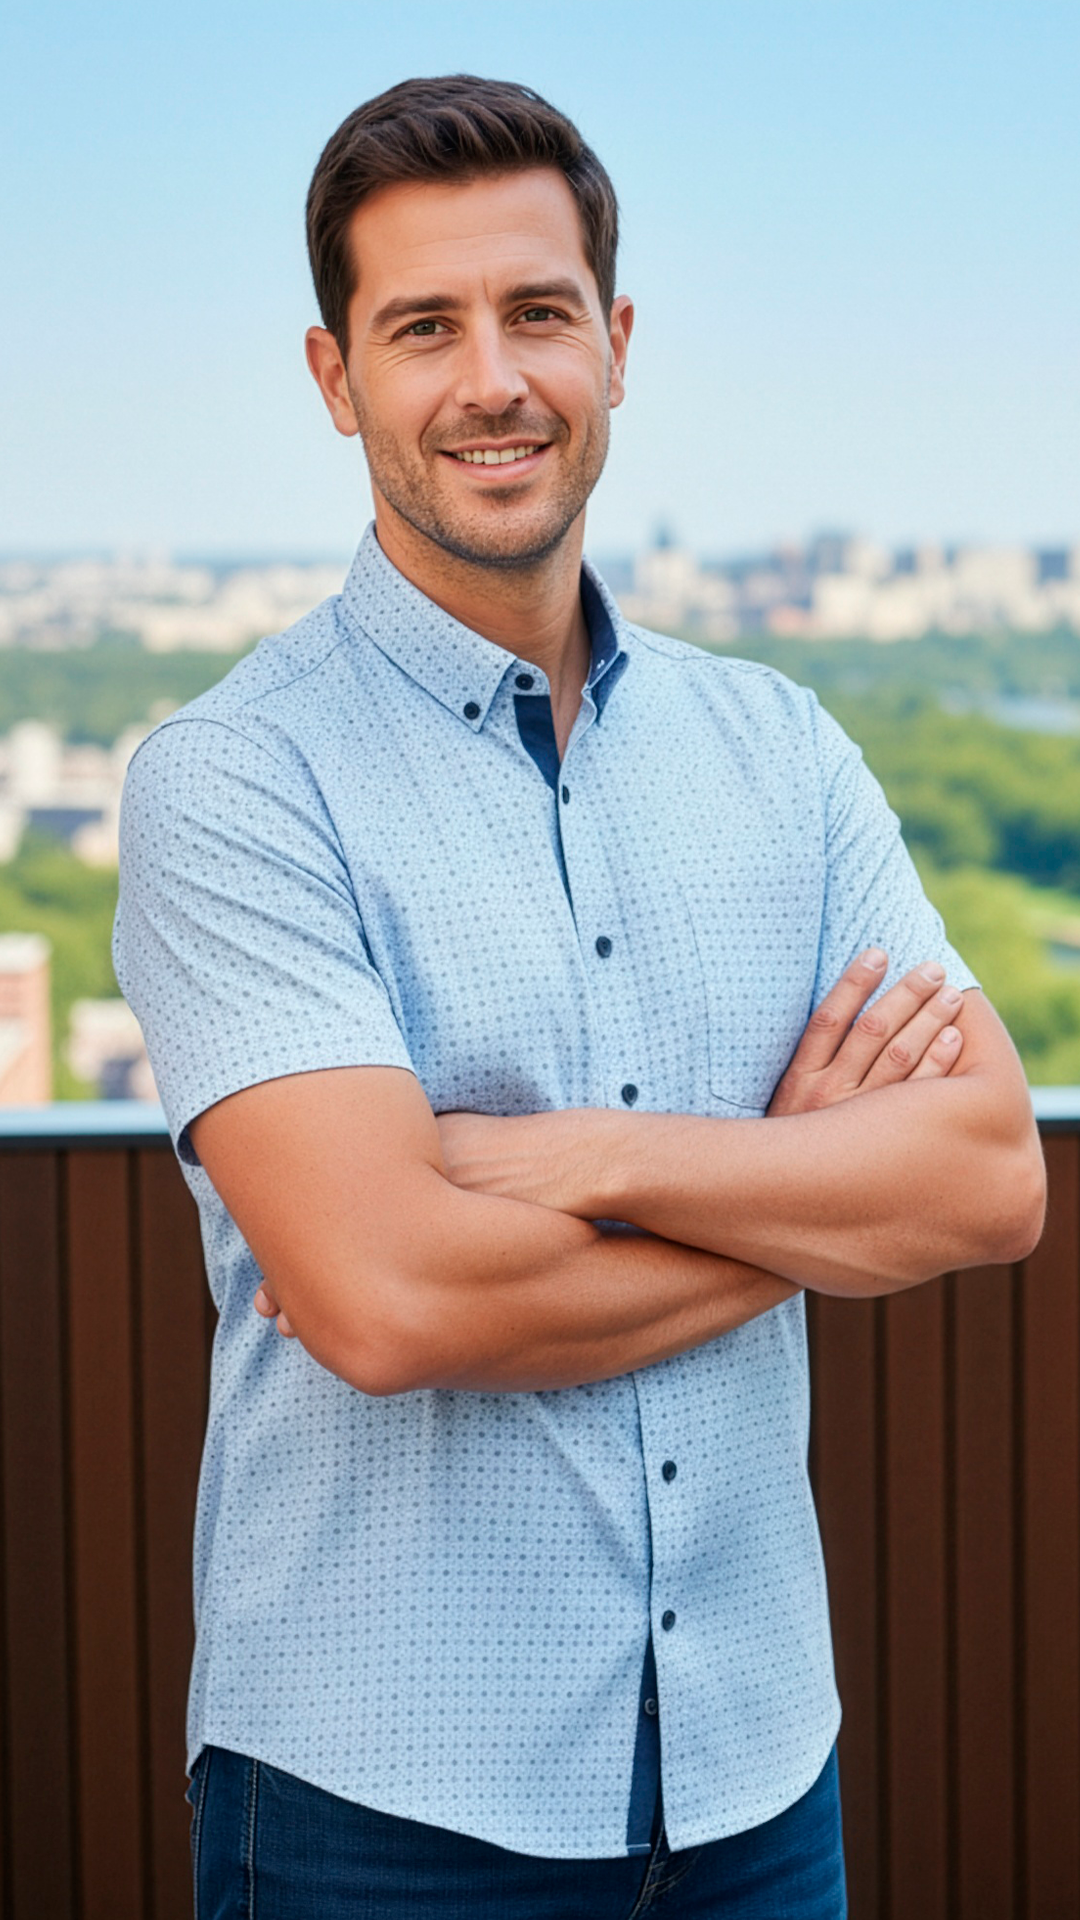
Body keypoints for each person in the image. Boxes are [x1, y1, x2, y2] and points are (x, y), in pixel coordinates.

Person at [114, 75, 1044, 1920]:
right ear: (335, 377)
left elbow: (990, 1180)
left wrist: (590, 1159)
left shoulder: (780, 748)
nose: (493, 378)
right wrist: (804, 1193)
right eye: (423, 327)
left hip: (760, 1770)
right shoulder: (234, 781)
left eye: (538, 313)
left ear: (616, 347)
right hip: (380, 1813)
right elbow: (384, 1300)